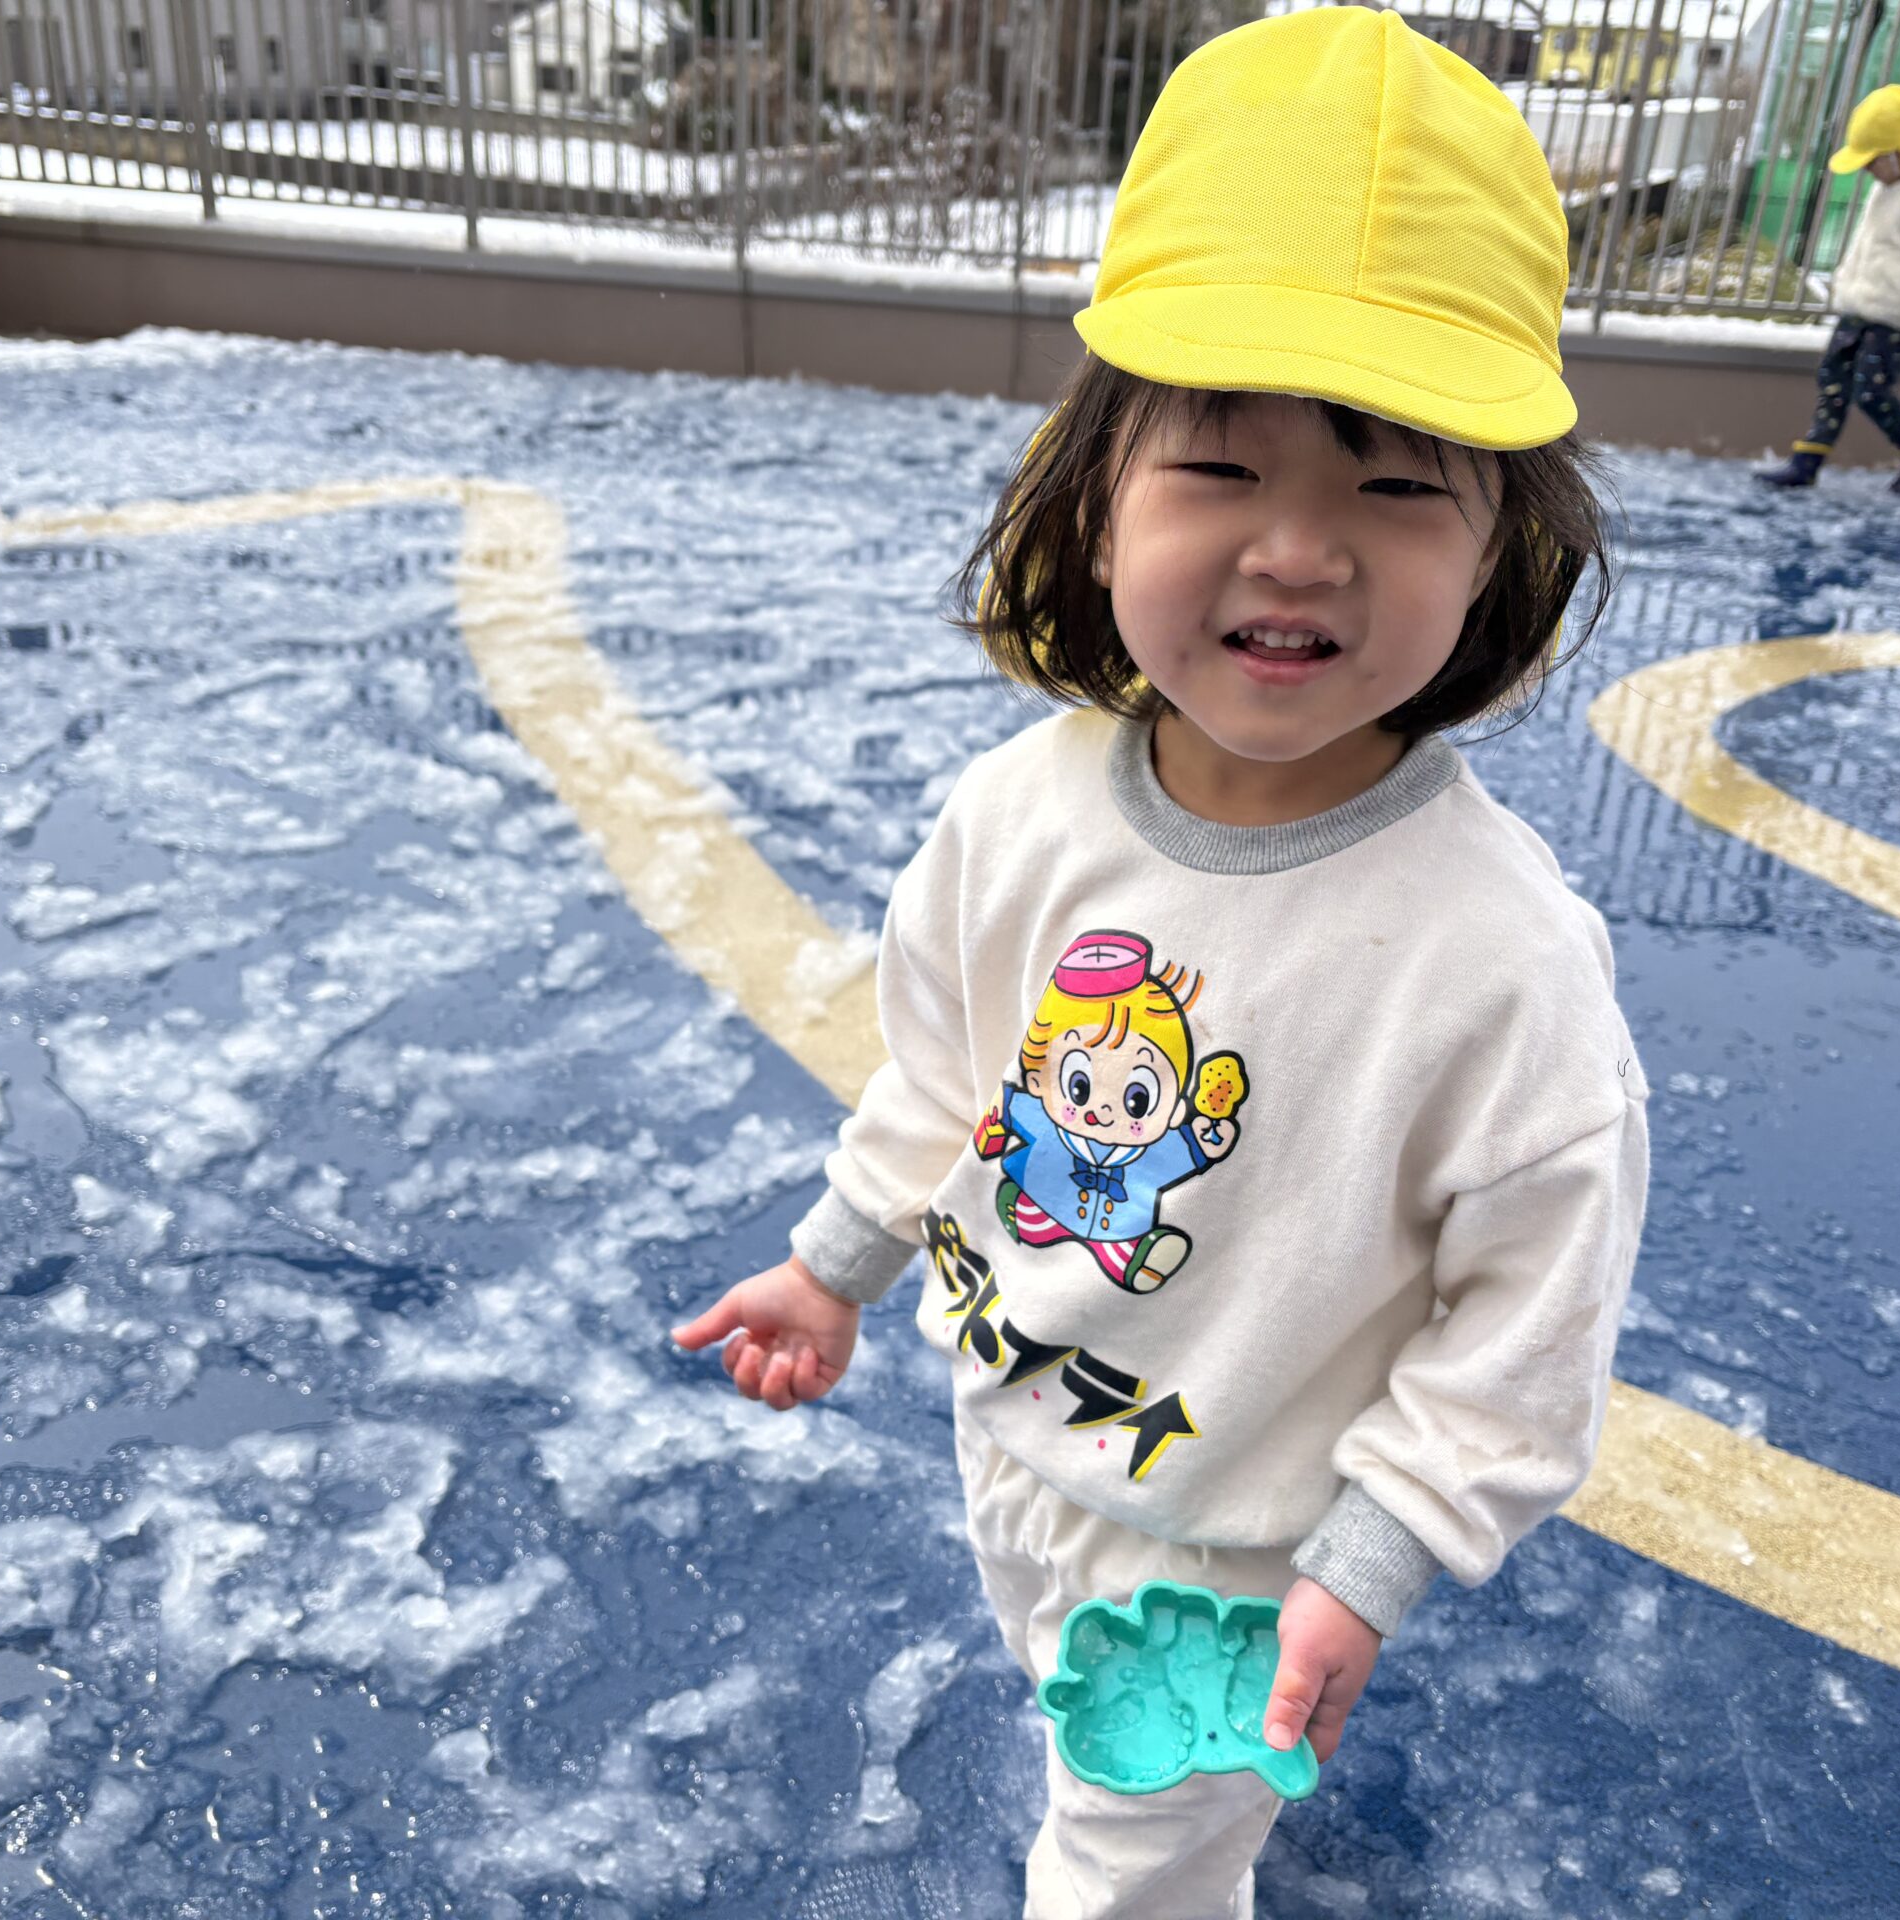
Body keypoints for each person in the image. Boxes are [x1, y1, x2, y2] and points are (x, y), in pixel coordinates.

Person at [670, 10, 1652, 1916]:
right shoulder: (1021, 814)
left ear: (1504, 546)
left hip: (1244, 1554)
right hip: (1019, 1432)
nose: (1299, 552)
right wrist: (835, 1264)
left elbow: (1528, 1327)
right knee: (1086, 1745)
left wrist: (1369, 1566)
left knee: (1126, 1875)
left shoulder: (1500, 965)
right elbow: (949, 1079)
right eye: (1217, 464)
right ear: (1096, 480)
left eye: (1397, 487)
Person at [1756, 85, 1900, 495]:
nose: (1867, 169)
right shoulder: (1890, 186)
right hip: (1860, 306)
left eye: (1872, 160)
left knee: (1870, 390)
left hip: (1894, 314)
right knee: (1832, 381)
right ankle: (1806, 462)